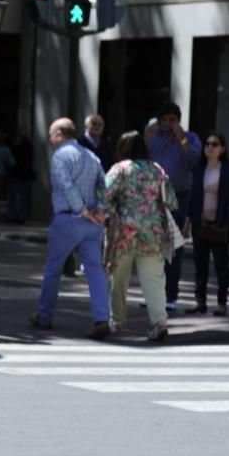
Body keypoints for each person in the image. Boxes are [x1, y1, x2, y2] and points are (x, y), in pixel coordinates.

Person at [29, 117, 110, 340]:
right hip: (93, 224)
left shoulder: (60, 157)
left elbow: (66, 185)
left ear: (58, 135)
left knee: (53, 269)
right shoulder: (91, 156)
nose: (50, 139)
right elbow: (104, 184)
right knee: (95, 270)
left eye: (51, 135)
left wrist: (82, 210)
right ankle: (102, 317)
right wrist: (100, 210)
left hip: (68, 219)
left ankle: (45, 315)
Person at [103, 131, 176, 341]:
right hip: (154, 231)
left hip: (123, 231)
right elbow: (170, 200)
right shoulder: (157, 169)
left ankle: (116, 321)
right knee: (154, 279)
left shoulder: (120, 169)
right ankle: (159, 322)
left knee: (118, 278)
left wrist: (110, 214)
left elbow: (103, 196)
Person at [146, 102, 200, 312]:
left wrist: (182, 138)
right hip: (155, 197)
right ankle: (154, 294)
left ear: (178, 120)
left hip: (179, 197)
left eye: (172, 120)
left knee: (174, 249)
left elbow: (194, 160)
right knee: (153, 247)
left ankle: (170, 296)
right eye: (165, 120)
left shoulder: (190, 138)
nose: (169, 124)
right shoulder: (155, 139)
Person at [184, 132, 229, 317]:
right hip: (200, 223)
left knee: (221, 265)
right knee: (199, 264)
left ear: (222, 149)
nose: (210, 147)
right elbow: (193, 196)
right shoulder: (200, 169)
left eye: (215, 144)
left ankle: (221, 303)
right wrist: (188, 219)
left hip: (221, 223)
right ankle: (199, 301)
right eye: (207, 144)